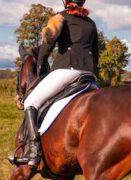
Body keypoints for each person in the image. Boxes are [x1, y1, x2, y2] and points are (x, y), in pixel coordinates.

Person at [17, 0, 99, 167]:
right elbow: (96, 53)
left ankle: (33, 150)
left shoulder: (58, 18)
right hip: (89, 75)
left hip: (66, 71)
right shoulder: (91, 24)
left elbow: (47, 46)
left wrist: (40, 67)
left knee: (31, 102)